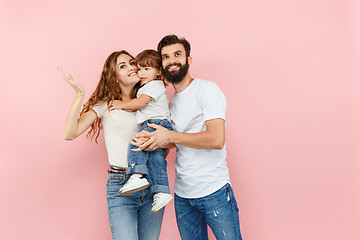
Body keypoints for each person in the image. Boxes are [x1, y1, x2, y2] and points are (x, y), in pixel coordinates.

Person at [133, 35, 243, 240]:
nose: (172, 60)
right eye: (165, 57)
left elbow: (216, 139)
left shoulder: (207, 90)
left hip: (214, 190)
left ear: (188, 60)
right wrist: (154, 141)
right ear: (161, 65)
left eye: (177, 54)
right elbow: (177, 139)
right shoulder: (170, 102)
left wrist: (169, 136)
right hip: (183, 195)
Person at [59, 50, 164, 240]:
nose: (132, 67)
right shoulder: (106, 104)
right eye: (122, 66)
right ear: (114, 78)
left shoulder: (150, 99)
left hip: (152, 181)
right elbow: (70, 133)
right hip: (121, 183)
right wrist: (79, 95)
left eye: (132, 63)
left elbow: (167, 139)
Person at [109, 49, 173, 213]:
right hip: (162, 123)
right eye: (140, 69)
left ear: (159, 72)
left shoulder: (154, 85)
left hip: (155, 122)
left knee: (135, 144)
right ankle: (162, 191)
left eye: (147, 69)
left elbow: (140, 103)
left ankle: (136, 175)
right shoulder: (151, 85)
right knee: (156, 160)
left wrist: (120, 104)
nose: (141, 73)